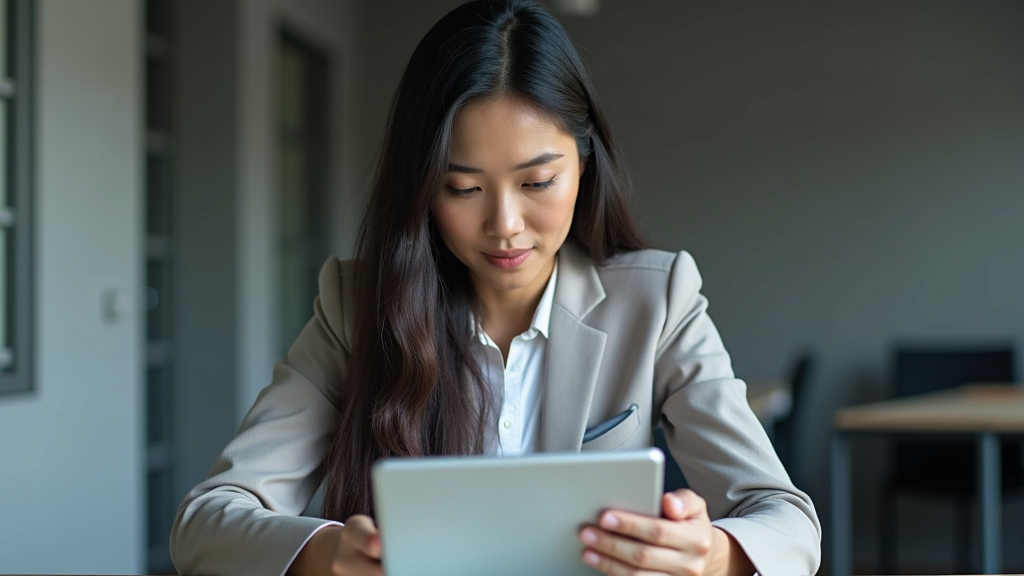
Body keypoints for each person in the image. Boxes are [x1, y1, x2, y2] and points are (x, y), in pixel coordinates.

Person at [170, 1, 821, 575]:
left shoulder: (658, 301)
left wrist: (713, 555)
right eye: (463, 188)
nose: (505, 226)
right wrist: (324, 553)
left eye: (537, 182)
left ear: (585, 165)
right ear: (422, 186)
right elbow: (205, 524)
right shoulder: (356, 306)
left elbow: (788, 520)